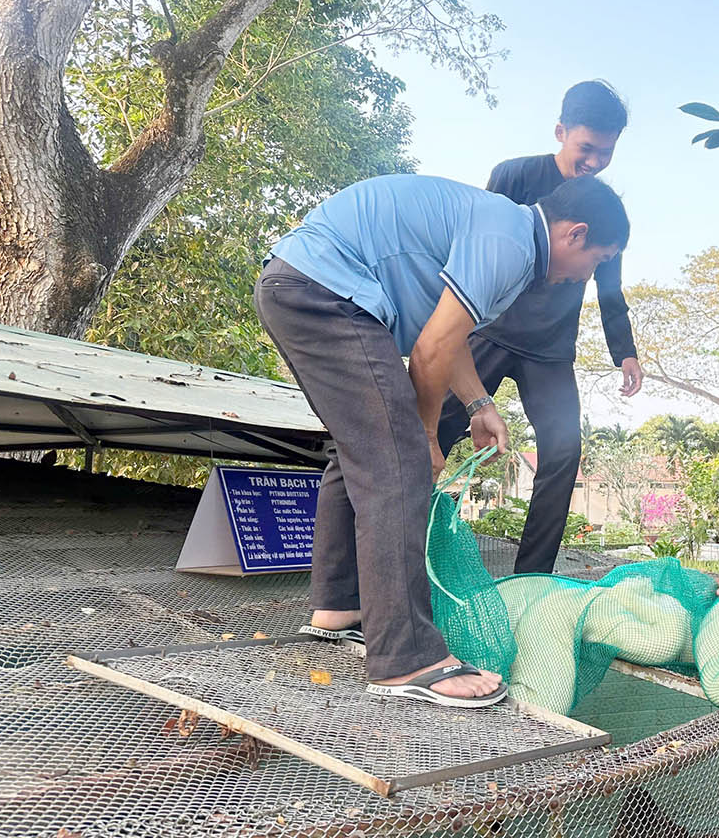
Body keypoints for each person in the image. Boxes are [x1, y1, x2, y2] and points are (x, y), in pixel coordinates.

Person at [254, 172, 630, 707]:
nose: (586, 277)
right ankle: (406, 657)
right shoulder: (509, 244)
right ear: (576, 233)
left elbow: (448, 340)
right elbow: (428, 351)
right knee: (397, 457)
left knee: (364, 446)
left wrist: (480, 405)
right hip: (325, 293)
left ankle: (339, 606)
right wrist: (426, 437)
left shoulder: (509, 236)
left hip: (304, 286)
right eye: (597, 261)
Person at [435, 80, 641, 574]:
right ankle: (400, 547)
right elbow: (475, 244)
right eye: (586, 147)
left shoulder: (605, 209)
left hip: (550, 348)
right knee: (429, 428)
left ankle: (532, 577)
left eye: (606, 152)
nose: (594, 161)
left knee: (563, 452)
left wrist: (625, 351)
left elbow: (609, 286)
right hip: (489, 330)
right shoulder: (516, 175)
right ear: (560, 131)